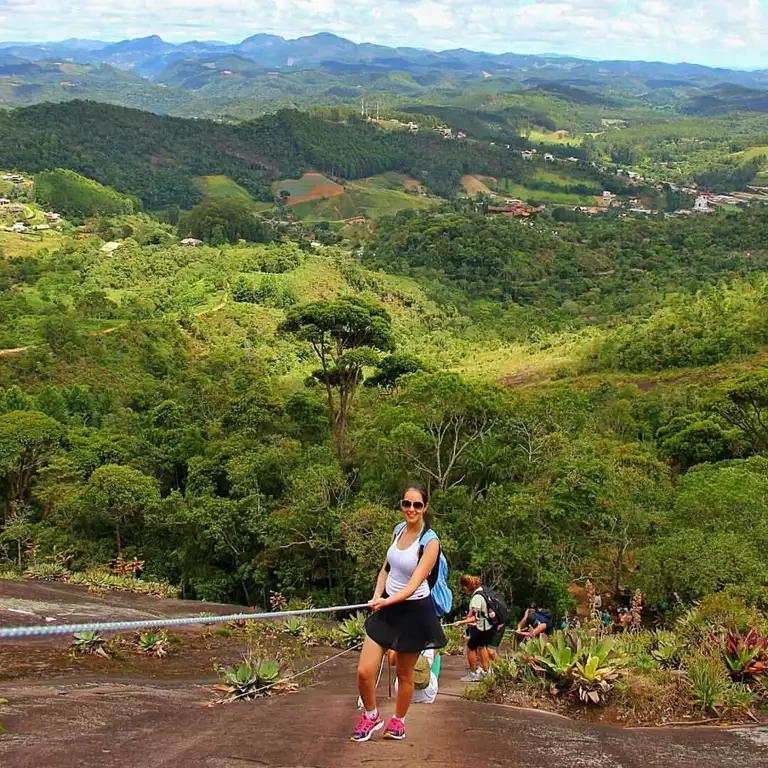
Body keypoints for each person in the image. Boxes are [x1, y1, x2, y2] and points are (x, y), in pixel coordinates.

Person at [352, 485, 446, 743]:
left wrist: (385, 601)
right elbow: (386, 569)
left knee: (405, 674)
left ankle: (399, 721)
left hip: (414, 613)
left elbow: (414, 584)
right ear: (402, 505)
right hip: (387, 609)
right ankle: (371, 716)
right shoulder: (398, 530)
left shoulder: (430, 542)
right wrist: (377, 595)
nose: (411, 509)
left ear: (425, 508)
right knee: (364, 671)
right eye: (407, 504)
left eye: (417, 505)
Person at [454, 575, 500, 682]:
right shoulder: (483, 592)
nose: (463, 590)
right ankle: (485, 670)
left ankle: (473, 673)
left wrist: (461, 622)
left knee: (470, 648)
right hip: (486, 626)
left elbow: (476, 617)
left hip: (480, 627)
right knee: (481, 647)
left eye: (463, 588)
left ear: (466, 587)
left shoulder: (476, 598)